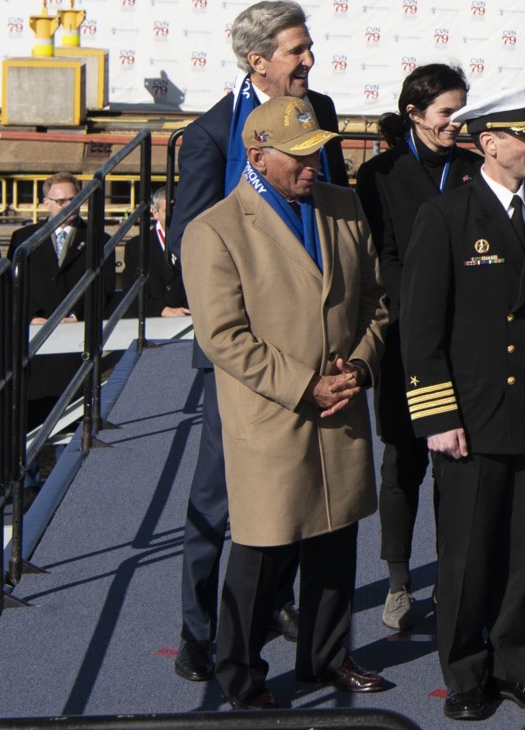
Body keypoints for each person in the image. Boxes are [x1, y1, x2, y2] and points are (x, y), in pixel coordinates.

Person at [181, 95, 392, 709]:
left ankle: (327, 657)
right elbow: (222, 336)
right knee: (262, 551)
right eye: (298, 155)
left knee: (336, 538)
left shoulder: (344, 207)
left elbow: (377, 299)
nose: (312, 164)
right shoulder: (214, 229)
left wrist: (360, 362)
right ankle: (240, 673)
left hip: (341, 404)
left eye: (317, 151)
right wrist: (305, 385)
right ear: (257, 157)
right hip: (275, 414)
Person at [402, 81, 525, 721]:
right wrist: (437, 416)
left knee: (524, 552)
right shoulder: (446, 218)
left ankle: (514, 660)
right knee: (466, 555)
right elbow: (422, 330)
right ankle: (465, 670)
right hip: (474, 414)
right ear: (488, 144)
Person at [166, 0, 347, 685]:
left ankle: (275, 605)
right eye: (297, 50)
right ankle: (199, 632)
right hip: (242, 359)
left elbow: (336, 219)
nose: (310, 59)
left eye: (309, 46)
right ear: (258, 60)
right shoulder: (211, 135)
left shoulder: (319, 108)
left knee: (304, 488)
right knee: (219, 498)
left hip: (315, 348)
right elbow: (191, 245)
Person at [354, 62, 479, 633]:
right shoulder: (378, 175)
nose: (457, 122)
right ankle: (399, 582)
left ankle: (456, 576)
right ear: (414, 114)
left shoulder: (475, 169)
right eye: (447, 113)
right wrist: (423, 310)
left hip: (468, 339)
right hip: (407, 338)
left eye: (462, 111)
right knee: (403, 461)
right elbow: (383, 258)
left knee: (459, 462)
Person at [9, 173, 102, 429]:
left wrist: (75, 316)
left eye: (74, 199)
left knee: (73, 423)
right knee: (27, 426)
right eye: (61, 201)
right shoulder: (23, 239)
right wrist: (31, 316)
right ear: (45, 202)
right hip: (34, 341)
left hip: (75, 342)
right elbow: (15, 287)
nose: (68, 206)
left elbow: (101, 289)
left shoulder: (98, 239)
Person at [128, 189, 189, 318]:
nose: (175, 215)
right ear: (154, 212)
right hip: (154, 320)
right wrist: (161, 309)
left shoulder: (196, 240)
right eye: (169, 210)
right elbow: (131, 291)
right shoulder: (137, 246)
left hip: (190, 317)